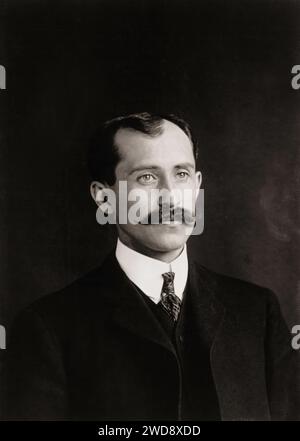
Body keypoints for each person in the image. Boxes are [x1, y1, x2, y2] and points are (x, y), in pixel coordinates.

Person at [2, 112, 298, 420]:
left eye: (181, 174)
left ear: (196, 185)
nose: (170, 196)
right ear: (104, 198)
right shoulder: (48, 329)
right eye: (147, 177)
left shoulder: (257, 312)